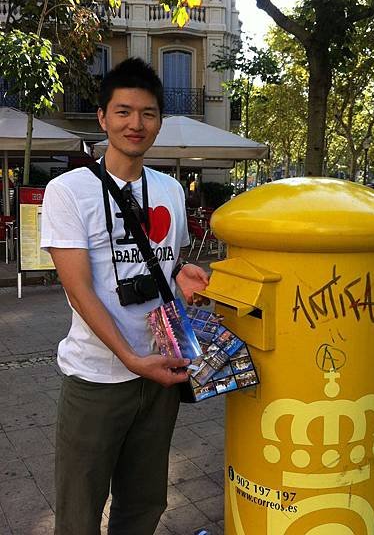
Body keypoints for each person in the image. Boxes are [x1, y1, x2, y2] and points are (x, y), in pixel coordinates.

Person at [41, 58, 209, 535]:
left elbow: (164, 264)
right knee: (79, 513)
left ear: (160, 120)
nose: (136, 124)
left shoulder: (171, 190)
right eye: (123, 111)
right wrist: (130, 359)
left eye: (149, 113)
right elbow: (80, 291)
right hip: (96, 379)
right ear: (102, 118)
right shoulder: (68, 191)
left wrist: (183, 278)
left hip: (161, 376)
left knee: (144, 505)